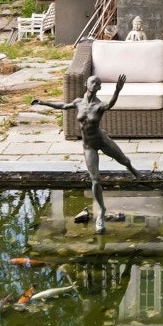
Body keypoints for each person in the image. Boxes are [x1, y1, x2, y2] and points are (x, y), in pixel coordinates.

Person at [33, 75, 144, 233]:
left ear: (99, 88)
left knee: (124, 160)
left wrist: (117, 91)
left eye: (98, 83)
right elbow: (63, 106)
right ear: (87, 84)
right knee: (96, 180)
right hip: (88, 146)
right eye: (93, 82)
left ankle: (134, 172)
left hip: (102, 140)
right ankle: (102, 211)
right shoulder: (78, 102)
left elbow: (110, 104)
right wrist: (43, 102)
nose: (95, 84)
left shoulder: (99, 106)